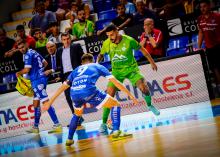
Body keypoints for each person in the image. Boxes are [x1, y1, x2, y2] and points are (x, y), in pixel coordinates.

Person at [41, 53, 138, 146]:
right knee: (115, 104)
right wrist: (130, 94)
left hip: (74, 94)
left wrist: (50, 102)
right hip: (88, 91)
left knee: (77, 114)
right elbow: (115, 82)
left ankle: (69, 139)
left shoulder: (76, 70)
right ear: (92, 60)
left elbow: (63, 87)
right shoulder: (97, 66)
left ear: (82, 63)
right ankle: (116, 131)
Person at [97, 24, 160, 133]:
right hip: (116, 72)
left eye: (111, 35)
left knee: (143, 87)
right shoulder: (107, 43)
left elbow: (143, 50)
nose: (110, 37)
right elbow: (101, 55)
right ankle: (103, 123)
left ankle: (150, 105)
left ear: (117, 31)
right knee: (109, 96)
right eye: (108, 35)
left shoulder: (129, 40)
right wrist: (96, 64)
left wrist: (152, 62)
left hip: (131, 69)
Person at [15, 39, 62, 134]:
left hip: (37, 81)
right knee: (36, 103)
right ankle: (35, 127)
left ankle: (57, 124)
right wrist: (40, 72)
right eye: (19, 48)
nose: (22, 49)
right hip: (40, 79)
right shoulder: (34, 51)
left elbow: (27, 70)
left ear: (26, 44)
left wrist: (18, 73)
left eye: (23, 47)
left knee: (45, 102)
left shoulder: (28, 54)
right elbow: (45, 63)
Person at [57, 32, 84, 125]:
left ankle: (78, 117)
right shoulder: (59, 50)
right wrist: (59, 76)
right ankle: (77, 117)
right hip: (65, 76)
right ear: (61, 40)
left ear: (70, 38)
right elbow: (59, 64)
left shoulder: (76, 46)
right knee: (68, 97)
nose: (66, 41)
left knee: (77, 96)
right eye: (64, 39)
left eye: (68, 39)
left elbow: (83, 58)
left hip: (75, 73)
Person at [197, 0, 220, 95]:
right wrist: (198, 46)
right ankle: (219, 86)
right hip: (209, 48)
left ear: (209, 6)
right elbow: (201, 32)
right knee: (214, 68)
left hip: (218, 45)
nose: (202, 9)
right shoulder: (200, 19)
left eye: (204, 6)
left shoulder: (217, 16)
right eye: (201, 7)